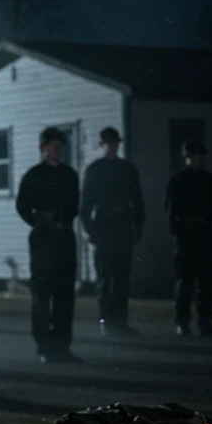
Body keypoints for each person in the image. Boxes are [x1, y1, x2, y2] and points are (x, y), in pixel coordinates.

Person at [16, 127, 81, 364]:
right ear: (43, 149)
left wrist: (61, 220)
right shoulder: (34, 176)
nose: (57, 151)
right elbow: (22, 205)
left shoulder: (69, 175)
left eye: (60, 147)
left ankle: (62, 345)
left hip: (64, 239)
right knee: (42, 295)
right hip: (43, 241)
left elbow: (75, 206)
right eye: (53, 146)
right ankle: (44, 345)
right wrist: (40, 221)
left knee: (65, 295)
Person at [80, 127, 144, 337]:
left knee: (122, 277)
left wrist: (138, 226)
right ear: (102, 145)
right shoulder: (95, 170)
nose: (112, 146)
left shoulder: (128, 169)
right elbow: (86, 205)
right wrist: (91, 230)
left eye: (115, 142)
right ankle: (106, 320)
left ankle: (121, 321)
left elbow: (137, 200)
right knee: (106, 277)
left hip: (123, 225)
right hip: (105, 226)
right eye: (108, 142)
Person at [165, 138, 212, 338]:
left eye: (199, 156)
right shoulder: (178, 180)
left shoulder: (209, 180)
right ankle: (182, 321)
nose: (197, 159)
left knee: (207, 281)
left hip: (204, 233)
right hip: (186, 234)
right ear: (186, 158)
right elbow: (171, 209)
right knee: (185, 281)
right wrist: (177, 233)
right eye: (193, 156)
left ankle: (205, 322)